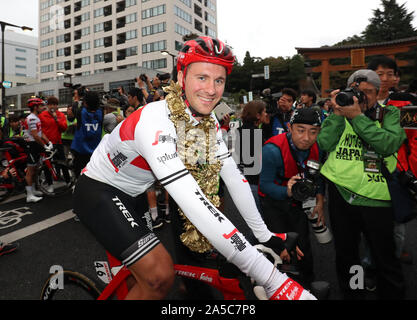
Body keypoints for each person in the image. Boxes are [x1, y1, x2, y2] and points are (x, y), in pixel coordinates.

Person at [72, 36, 316, 300]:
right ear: (181, 77)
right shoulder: (156, 120)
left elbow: (234, 178)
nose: (211, 90)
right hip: (100, 190)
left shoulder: (206, 121)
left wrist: (264, 235)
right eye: (202, 77)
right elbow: (195, 205)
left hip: (136, 194)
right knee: (159, 275)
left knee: (140, 283)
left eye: (219, 80)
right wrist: (272, 280)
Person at [317, 69, 406, 299]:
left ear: (378, 93)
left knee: (384, 256)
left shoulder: (390, 114)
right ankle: (354, 294)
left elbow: (388, 144)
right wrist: (338, 112)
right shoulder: (340, 113)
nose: (362, 97)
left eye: (368, 92)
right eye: (357, 92)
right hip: (341, 194)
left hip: (377, 198)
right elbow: (324, 142)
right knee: (348, 257)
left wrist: (357, 118)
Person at [259, 108, 324, 288]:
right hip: (274, 203)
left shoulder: (318, 148)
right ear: (290, 127)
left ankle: (307, 285)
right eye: (301, 130)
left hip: (299, 201)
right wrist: (286, 191)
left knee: (303, 244)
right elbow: (264, 185)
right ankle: (276, 287)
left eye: (313, 131)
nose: (306, 137)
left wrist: (319, 200)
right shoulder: (272, 150)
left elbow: (319, 177)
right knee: (280, 248)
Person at [236, 100, 270, 212]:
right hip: (255, 183)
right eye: (264, 112)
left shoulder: (239, 131)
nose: (267, 114)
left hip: (243, 181)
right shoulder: (255, 134)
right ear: (257, 115)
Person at [22, 98, 54, 203]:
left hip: (35, 145)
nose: (42, 107)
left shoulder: (36, 117)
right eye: (40, 106)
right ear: (35, 107)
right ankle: (29, 195)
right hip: (31, 145)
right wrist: (44, 146)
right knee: (30, 171)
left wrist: (48, 142)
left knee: (35, 168)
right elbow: (35, 136)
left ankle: (33, 190)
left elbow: (40, 133)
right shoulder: (32, 118)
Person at [39, 96, 69, 193]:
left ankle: (68, 181)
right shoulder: (42, 115)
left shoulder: (61, 115)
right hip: (47, 144)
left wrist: (57, 119)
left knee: (63, 163)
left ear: (57, 106)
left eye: (55, 104)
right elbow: (40, 130)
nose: (52, 106)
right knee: (47, 165)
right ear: (47, 105)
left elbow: (64, 128)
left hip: (58, 143)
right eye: (50, 104)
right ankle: (50, 184)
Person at [71, 91, 103, 178]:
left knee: (79, 173)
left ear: (85, 102)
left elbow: (74, 109)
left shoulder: (81, 112)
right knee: (93, 174)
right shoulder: (101, 113)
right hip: (95, 150)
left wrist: (76, 99)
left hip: (80, 150)